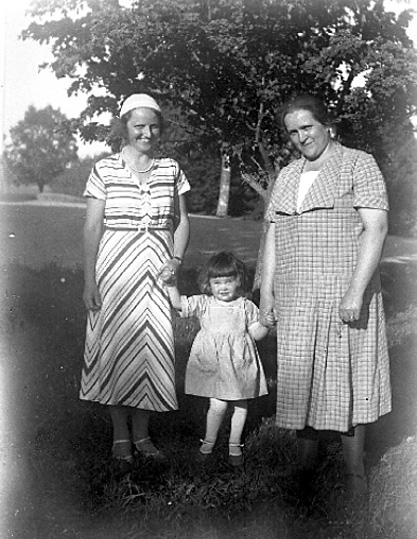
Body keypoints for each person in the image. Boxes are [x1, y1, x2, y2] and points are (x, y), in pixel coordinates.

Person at [259, 93, 391, 497]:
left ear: (326, 125)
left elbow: (377, 228)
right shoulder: (286, 176)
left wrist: (355, 292)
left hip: (343, 293)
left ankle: (355, 474)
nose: (301, 137)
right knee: (302, 377)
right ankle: (305, 470)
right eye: (293, 132)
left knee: (347, 377)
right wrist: (267, 293)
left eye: (307, 127)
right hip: (297, 296)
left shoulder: (357, 163)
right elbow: (274, 237)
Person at [80, 93, 190, 464]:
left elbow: (182, 220)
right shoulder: (105, 169)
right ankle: (120, 433)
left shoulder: (170, 169)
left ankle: (142, 434)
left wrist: (176, 259)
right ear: (124, 127)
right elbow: (93, 226)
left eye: (153, 125)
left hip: (158, 272)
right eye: (139, 126)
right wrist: (89, 280)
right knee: (113, 347)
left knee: (152, 349)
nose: (147, 133)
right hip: (114, 271)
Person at [166, 251, 270, 467]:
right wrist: (171, 283)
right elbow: (177, 303)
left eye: (229, 281)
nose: (223, 287)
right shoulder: (205, 303)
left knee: (241, 404)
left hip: (239, 363)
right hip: (214, 364)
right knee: (219, 404)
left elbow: (256, 334)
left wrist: (267, 323)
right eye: (217, 282)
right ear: (208, 283)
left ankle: (234, 443)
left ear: (239, 280)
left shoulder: (245, 305)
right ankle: (209, 441)